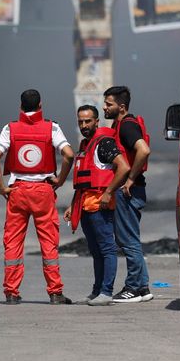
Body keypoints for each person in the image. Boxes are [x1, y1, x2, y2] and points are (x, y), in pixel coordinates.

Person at [0, 89, 75, 305]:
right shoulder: (52, 128)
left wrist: (1, 187)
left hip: (17, 190)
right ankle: (55, 292)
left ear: (20, 106)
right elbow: (69, 155)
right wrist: (61, 179)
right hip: (44, 191)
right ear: (40, 106)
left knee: (13, 241)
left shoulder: (10, 129)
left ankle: (11, 292)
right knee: (48, 242)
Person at [69, 105, 129, 306]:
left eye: (88, 121)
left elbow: (124, 167)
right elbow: (82, 182)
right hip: (85, 206)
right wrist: (72, 205)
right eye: (80, 122)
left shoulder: (104, 143)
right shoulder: (86, 145)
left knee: (107, 249)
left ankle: (106, 292)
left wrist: (109, 192)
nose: (84, 125)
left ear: (96, 121)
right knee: (95, 251)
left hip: (100, 207)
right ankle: (96, 291)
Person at [102, 85, 153, 303]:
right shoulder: (122, 124)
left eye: (109, 104)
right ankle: (142, 288)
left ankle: (132, 287)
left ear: (121, 107)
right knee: (130, 239)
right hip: (132, 190)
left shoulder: (127, 127)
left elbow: (143, 150)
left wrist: (130, 179)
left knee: (128, 240)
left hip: (128, 191)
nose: (104, 107)